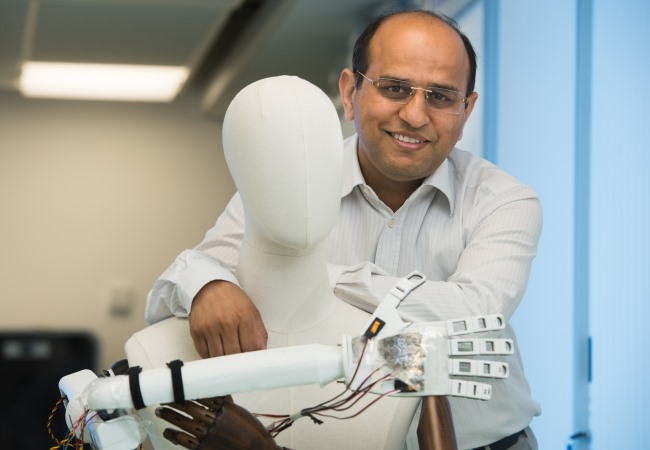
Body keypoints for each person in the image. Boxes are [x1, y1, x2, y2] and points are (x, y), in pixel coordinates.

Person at [145, 8, 542, 450]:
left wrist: (311, 278)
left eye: (441, 97)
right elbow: (176, 286)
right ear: (351, 91)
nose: (414, 115)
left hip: (482, 443)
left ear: (466, 110)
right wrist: (209, 283)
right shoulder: (292, 184)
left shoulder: (504, 200)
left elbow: (474, 315)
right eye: (394, 88)